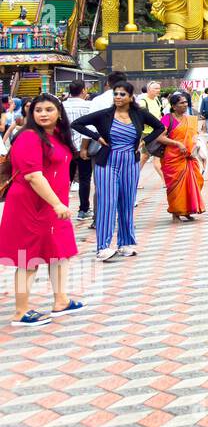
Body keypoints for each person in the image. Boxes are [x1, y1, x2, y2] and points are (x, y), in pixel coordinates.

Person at [1, 94, 85, 327]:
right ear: (31, 113)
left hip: (53, 206)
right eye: (38, 110)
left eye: (49, 109)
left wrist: (59, 202)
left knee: (60, 252)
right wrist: (57, 203)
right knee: (28, 258)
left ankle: (61, 300)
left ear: (59, 112)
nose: (43, 114)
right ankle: (20, 311)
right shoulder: (28, 137)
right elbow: (33, 176)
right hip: (31, 205)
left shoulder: (57, 136)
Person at [73, 81, 165, 261]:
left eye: (122, 94)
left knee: (127, 202)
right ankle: (103, 247)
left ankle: (125, 243)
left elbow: (160, 127)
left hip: (130, 162)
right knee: (107, 203)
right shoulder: (104, 115)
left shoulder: (139, 114)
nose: (118, 97)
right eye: (115, 94)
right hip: (107, 162)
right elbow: (77, 124)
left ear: (131, 97)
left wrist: (145, 141)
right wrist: (97, 137)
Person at [161, 93, 205, 222]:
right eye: (181, 103)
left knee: (195, 181)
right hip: (172, 158)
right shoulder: (167, 119)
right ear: (174, 106)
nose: (185, 105)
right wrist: (177, 143)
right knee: (175, 186)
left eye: (186, 102)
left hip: (188, 157)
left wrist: (194, 147)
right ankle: (175, 213)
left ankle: (187, 210)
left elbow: (193, 136)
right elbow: (160, 137)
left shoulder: (190, 119)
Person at [62, 81, 94, 220]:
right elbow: (91, 128)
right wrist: (84, 148)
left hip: (65, 147)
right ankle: (83, 209)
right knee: (84, 179)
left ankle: (61, 207)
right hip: (83, 147)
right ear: (83, 91)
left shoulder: (61, 106)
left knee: (64, 179)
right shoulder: (89, 106)